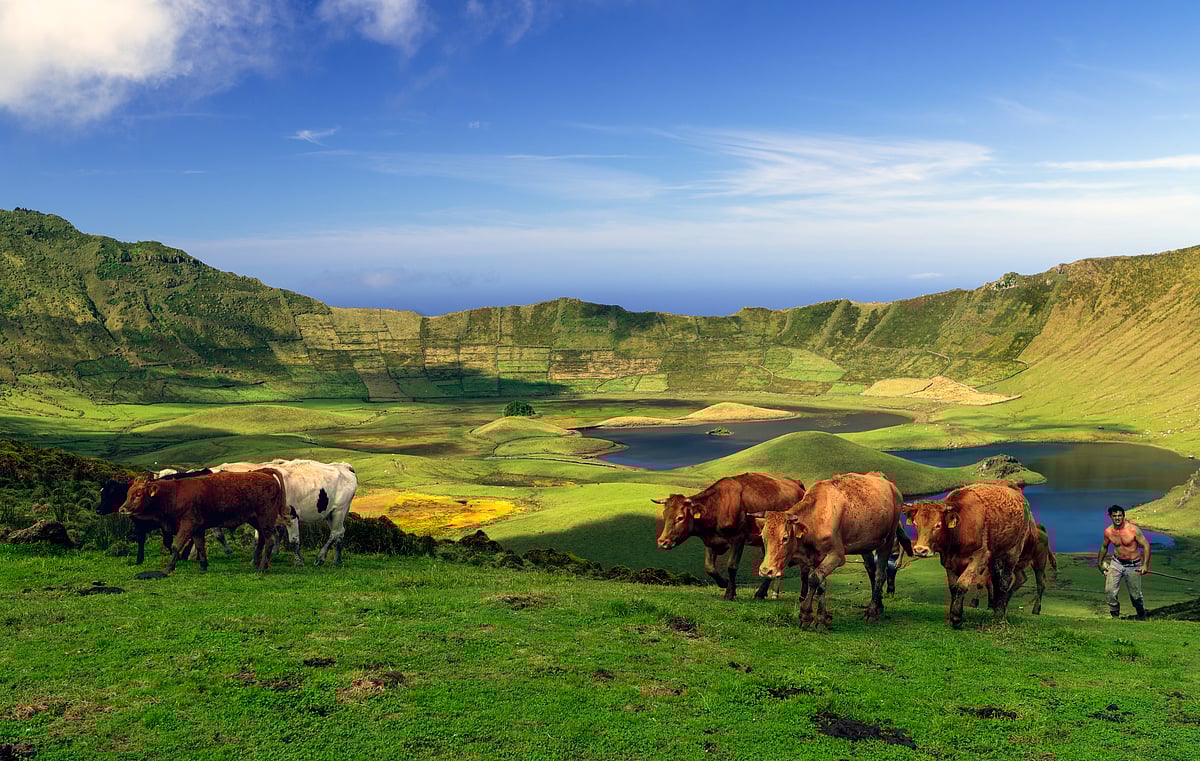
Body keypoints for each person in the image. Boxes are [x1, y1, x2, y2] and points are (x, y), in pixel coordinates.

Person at [1096, 504, 1151, 620]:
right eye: (1114, 516)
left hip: (1133, 565)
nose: (1117, 518)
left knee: (1135, 596)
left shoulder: (1133, 529)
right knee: (1110, 591)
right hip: (1116, 563)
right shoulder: (1109, 531)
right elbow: (1104, 547)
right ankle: (1115, 618)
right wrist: (1099, 563)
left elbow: (1146, 545)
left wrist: (1145, 565)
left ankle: (1141, 616)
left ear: (1124, 516)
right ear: (1110, 516)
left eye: (1120, 515)